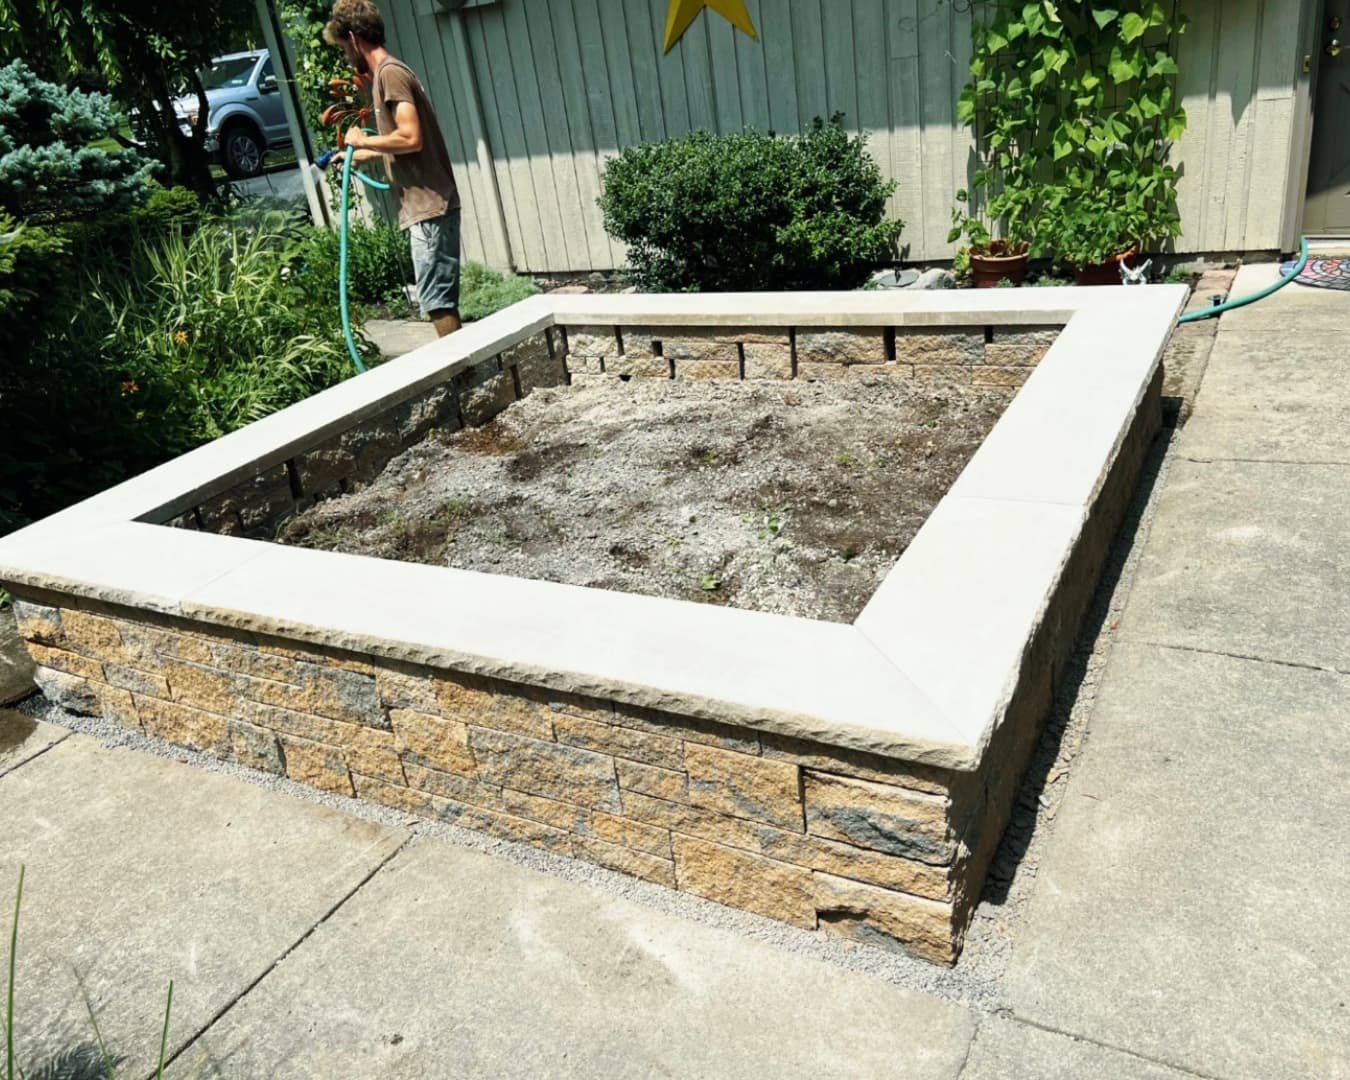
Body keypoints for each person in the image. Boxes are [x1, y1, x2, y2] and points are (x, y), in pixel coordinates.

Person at [324, 0, 462, 336]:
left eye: (344, 47)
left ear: (355, 39)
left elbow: (411, 137)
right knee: (437, 298)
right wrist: (365, 156)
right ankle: (465, 377)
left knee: (437, 301)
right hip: (427, 206)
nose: (345, 55)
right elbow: (406, 142)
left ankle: (465, 380)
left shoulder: (390, 74)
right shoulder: (387, 75)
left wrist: (362, 141)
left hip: (429, 206)